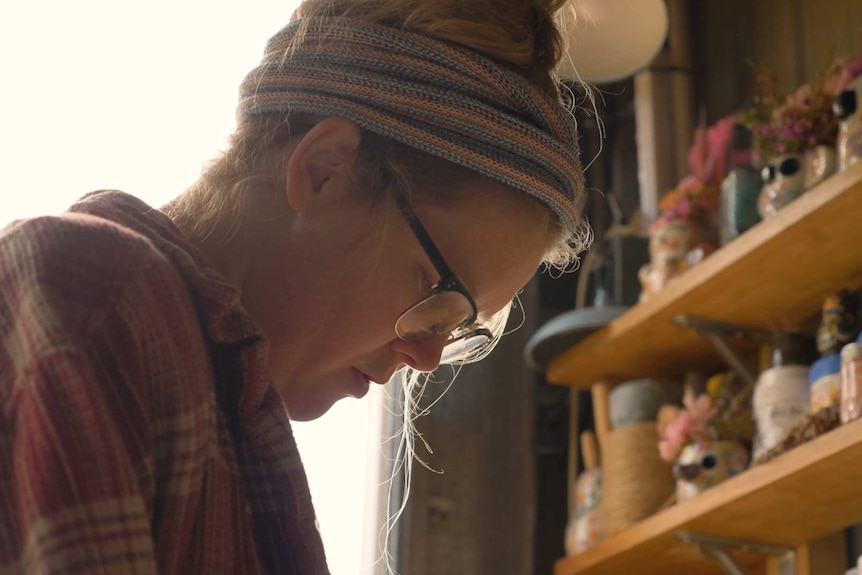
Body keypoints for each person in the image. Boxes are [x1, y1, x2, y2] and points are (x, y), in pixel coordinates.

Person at [0, 0, 590, 573]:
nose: (429, 358)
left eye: (461, 328)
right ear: (324, 169)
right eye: (438, 298)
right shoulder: (96, 292)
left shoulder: (232, 420)